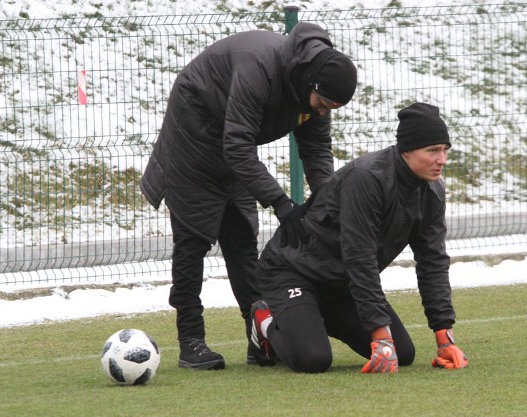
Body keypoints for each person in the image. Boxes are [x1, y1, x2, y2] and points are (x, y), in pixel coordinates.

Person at [139, 22, 358, 370]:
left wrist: (327, 203)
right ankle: (191, 340)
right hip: (194, 131)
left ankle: (260, 337)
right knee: (193, 239)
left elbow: (316, 151)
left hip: (234, 142)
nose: (323, 112)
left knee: (242, 239)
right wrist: (282, 204)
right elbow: (238, 147)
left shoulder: (315, 92)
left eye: (332, 107)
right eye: (322, 103)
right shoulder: (258, 67)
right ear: (309, 83)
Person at [250, 102, 469, 373]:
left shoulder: (432, 191)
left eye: (445, 150)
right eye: (433, 151)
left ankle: (312, 318)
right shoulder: (366, 179)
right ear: (407, 151)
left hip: (341, 281)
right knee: (313, 360)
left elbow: (433, 262)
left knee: (402, 353)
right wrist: (380, 335)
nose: (442, 160)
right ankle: (264, 319)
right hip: (293, 271)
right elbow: (359, 255)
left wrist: (444, 338)